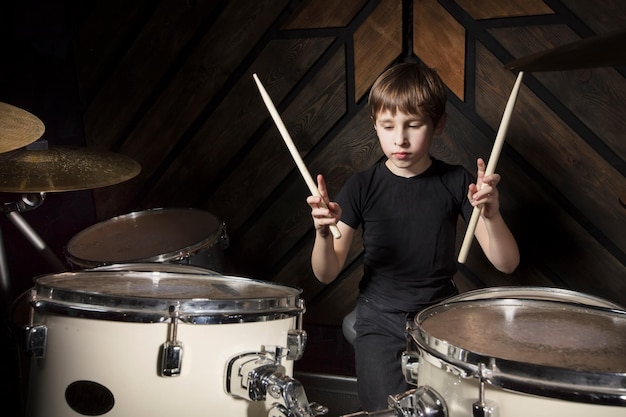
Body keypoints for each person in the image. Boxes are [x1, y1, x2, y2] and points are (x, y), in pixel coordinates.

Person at [306, 63, 520, 411]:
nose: (400, 139)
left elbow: (507, 263)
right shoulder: (362, 186)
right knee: (386, 411)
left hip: (440, 318)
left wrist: (491, 215)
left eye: (414, 125)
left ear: (439, 124)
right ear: (375, 124)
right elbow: (325, 272)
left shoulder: (456, 181)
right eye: (388, 126)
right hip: (378, 318)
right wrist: (321, 233)